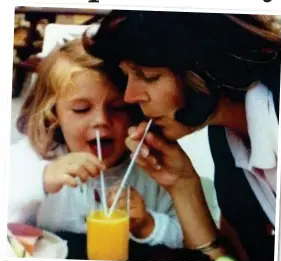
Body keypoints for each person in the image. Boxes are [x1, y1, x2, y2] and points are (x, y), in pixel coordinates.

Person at [83, 10, 281, 261]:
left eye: (147, 76)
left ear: (207, 67)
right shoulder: (226, 139)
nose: (130, 96)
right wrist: (182, 185)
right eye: (128, 77)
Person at [8, 39, 190, 249]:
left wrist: (148, 225)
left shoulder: (153, 168)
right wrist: (41, 180)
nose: (101, 120)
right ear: (53, 114)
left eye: (117, 107)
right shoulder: (34, 157)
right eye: (81, 109)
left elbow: (188, 239)